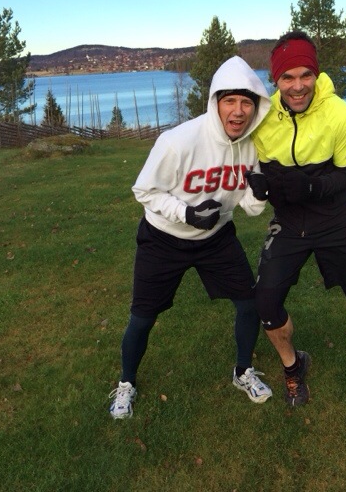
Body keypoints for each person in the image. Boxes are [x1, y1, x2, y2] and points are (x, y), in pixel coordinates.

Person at [109, 56, 273, 419]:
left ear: (256, 106)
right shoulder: (178, 141)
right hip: (163, 238)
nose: (238, 111)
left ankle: (243, 371)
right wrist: (186, 214)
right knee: (143, 317)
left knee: (249, 303)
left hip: (216, 238)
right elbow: (144, 190)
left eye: (246, 103)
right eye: (230, 101)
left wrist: (259, 193)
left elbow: (249, 207)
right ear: (215, 102)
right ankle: (126, 383)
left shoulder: (253, 146)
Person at [248, 31, 346, 408]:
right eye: (287, 77)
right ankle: (294, 366)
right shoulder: (262, 118)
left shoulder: (340, 115)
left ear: (316, 74)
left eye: (305, 75)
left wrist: (311, 187)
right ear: (275, 80)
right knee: (265, 300)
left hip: (336, 218)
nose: (298, 86)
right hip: (289, 221)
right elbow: (248, 161)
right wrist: (257, 179)